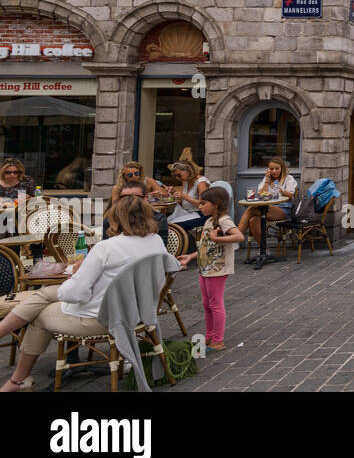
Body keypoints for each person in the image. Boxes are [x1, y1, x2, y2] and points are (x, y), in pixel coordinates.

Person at [0, 195, 180, 391]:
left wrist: (76, 275)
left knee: (40, 314)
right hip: (137, 311)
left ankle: (18, 380)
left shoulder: (107, 247)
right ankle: (17, 375)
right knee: (43, 295)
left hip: (104, 318)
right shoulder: (155, 242)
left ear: (115, 218)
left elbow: (75, 294)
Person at [177, 187, 243, 351]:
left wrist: (217, 237)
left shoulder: (223, 220)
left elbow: (239, 236)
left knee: (216, 304)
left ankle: (218, 340)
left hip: (217, 269)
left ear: (216, 204)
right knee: (207, 304)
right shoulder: (208, 221)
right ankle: (209, 336)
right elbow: (205, 245)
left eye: (203, 203)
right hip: (205, 267)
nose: (200, 207)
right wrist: (191, 256)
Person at [235, 157, 297, 244]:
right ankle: (264, 251)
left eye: (277, 168)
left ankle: (236, 237)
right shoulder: (267, 179)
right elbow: (260, 194)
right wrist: (267, 182)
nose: (274, 171)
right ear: (268, 169)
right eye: (271, 169)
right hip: (268, 208)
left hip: (283, 210)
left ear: (282, 168)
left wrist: (279, 189)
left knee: (251, 209)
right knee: (253, 221)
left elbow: (291, 195)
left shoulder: (288, 178)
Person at [166, 151, 210, 239]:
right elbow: (184, 204)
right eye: (175, 176)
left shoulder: (201, 183)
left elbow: (205, 205)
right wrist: (174, 194)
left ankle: (178, 248)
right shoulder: (185, 182)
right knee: (163, 224)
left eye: (179, 175)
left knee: (172, 226)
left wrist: (186, 197)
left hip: (201, 215)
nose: (177, 178)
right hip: (186, 212)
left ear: (188, 171)